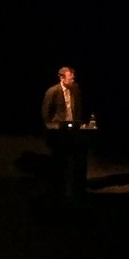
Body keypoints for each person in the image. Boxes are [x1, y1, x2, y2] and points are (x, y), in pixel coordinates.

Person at [42, 65, 88, 202]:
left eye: (73, 77)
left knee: (75, 160)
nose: (73, 79)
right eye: (70, 77)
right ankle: (57, 191)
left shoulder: (75, 89)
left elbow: (78, 108)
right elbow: (46, 113)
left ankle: (75, 190)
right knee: (59, 161)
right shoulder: (52, 91)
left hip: (73, 131)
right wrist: (52, 128)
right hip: (59, 133)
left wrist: (79, 124)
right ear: (61, 78)